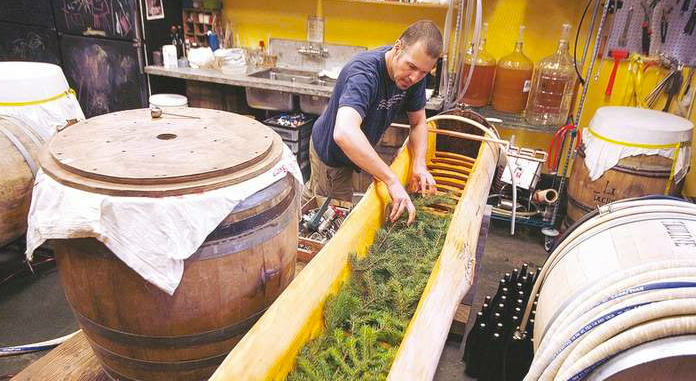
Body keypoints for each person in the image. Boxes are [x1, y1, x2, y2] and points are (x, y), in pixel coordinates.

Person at [303, 20, 443, 225]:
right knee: (329, 222)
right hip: (332, 156)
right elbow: (344, 133)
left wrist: (419, 164)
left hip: (353, 150)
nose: (415, 77)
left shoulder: (414, 74)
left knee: (314, 196)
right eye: (411, 67)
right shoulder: (364, 73)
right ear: (397, 48)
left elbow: (419, 121)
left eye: (423, 72)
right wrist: (392, 180)